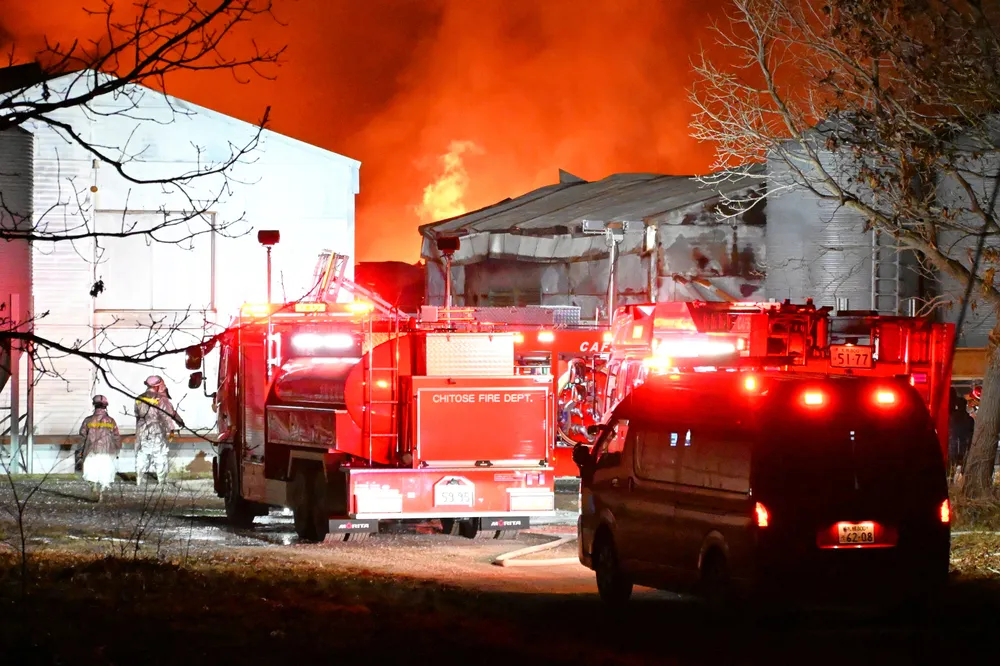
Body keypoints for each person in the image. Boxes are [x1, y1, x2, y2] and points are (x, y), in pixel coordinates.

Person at [134, 375, 183, 486]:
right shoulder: (161, 398)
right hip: (157, 430)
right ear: (157, 386)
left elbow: (137, 416)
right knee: (160, 455)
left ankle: (139, 479)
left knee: (142, 454)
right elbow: (167, 416)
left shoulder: (139, 398)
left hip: (142, 430)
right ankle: (161, 481)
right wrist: (172, 429)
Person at [78, 395, 122, 502]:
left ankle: (94, 486)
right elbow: (116, 436)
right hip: (107, 452)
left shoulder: (88, 420)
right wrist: (117, 449)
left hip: (91, 451)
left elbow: (82, 435)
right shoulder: (111, 421)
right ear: (106, 406)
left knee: (92, 473)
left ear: (94, 405)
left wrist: (82, 451)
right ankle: (101, 494)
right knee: (105, 474)